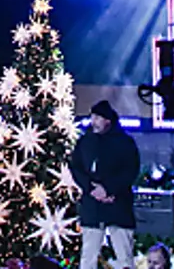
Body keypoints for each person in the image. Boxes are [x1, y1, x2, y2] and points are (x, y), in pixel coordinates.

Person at [69, 101, 139, 269]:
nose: (93, 121)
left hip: (118, 206)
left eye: (98, 118)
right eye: (92, 117)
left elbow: (130, 170)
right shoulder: (85, 141)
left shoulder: (124, 142)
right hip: (92, 208)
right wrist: (91, 189)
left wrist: (108, 189)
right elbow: (76, 167)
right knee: (88, 257)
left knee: (124, 257)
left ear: (108, 120)